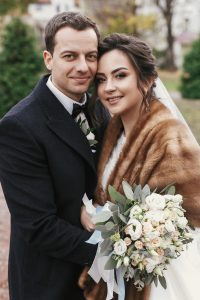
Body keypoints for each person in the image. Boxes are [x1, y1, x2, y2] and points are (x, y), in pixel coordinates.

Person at [80, 33, 200, 300]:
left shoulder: (168, 135)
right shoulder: (112, 133)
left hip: (161, 278)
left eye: (120, 75)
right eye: (101, 80)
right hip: (118, 274)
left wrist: (144, 233)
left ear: (146, 80)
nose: (109, 87)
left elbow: (192, 213)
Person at [0, 11, 108, 300]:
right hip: (50, 282)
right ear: (48, 59)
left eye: (91, 56)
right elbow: (39, 226)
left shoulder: (103, 109)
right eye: (70, 56)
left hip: (101, 286)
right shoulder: (19, 126)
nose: (83, 67)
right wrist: (118, 250)